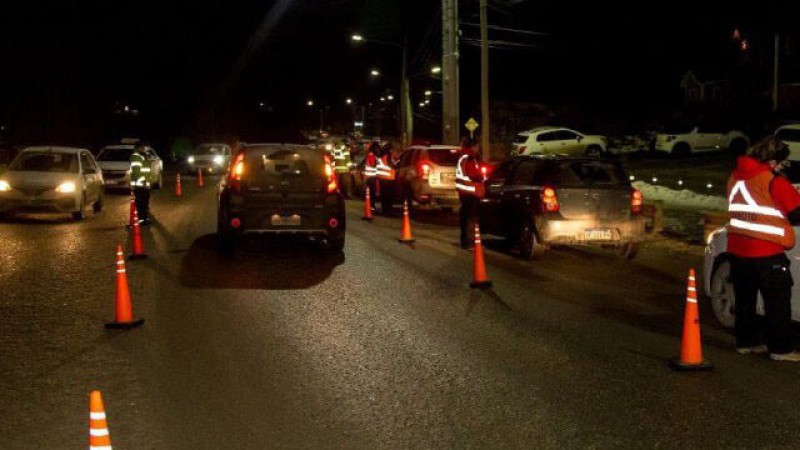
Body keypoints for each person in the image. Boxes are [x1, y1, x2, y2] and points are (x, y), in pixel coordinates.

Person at [727, 136, 800, 361]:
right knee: (777, 301)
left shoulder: (735, 177)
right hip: (767, 252)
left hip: (738, 249)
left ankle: (746, 342)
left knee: (745, 299)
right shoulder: (773, 181)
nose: (782, 167)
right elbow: (796, 213)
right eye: (781, 163)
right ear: (772, 161)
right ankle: (780, 349)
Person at [455, 140, 486, 249]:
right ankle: (470, 242)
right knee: (471, 217)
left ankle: (466, 241)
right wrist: (480, 177)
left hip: (466, 192)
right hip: (470, 192)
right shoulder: (469, 158)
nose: (479, 149)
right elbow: (473, 174)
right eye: (477, 146)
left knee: (465, 217)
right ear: (472, 147)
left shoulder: (465, 157)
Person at [130, 143, 154, 225]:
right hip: (140, 185)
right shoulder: (136, 157)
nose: (145, 150)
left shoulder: (142, 156)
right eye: (143, 148)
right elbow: (136, 172)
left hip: (144, 185)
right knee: (141, 203)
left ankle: (144, 219)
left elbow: (146, 169)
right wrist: (144, 182)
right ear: (139, 148)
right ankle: (141, 220)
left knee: (145, 203)